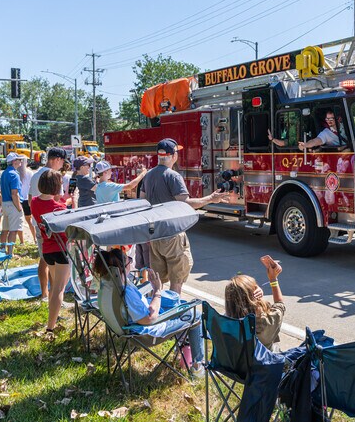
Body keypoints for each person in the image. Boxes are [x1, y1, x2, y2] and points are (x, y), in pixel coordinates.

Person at [93, 247, 205, 375]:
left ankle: (183, 350)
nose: (131, 262)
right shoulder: (126, 292)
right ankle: (197, 366)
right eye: (129, 260)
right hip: (148, 332)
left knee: (179, 303)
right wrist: (157, 290)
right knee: (195, 316)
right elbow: (149, 319)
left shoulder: (109, 284)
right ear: (121, 268)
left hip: (127, 326)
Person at [140, 138, 229, 295]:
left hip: (154, 235)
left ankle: (155, 313)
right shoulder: (173, 176)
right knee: (177, 281)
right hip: (172, 235)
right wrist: (211, 198)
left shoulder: (148, 176)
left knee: (157, 283)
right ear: (173, 155)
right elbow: (185, 204)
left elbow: (142, 203)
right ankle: (174, 314)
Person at [30, 170, 72, 333]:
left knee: (54, 288)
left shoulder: (34, 201)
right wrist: (71, 203)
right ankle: (50, 327)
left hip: (47, 250)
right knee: (59, 289)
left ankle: (53, 316)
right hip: (61, 250)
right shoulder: (59, 207)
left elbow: (49, 203)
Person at [28, 147, 67, 303]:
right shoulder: (55, 177)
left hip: (39, 222)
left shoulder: (35, 175)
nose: (63, 165)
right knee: (55, 261)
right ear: (56, 159)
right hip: (54, 224)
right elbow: (57, 202)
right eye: (62, 161)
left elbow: (31, 199)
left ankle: (45, 294)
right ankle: (55, 295)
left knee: (44, 258)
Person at [224, 255, 285, 351]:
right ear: (253, 298)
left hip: (235, 365)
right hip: (263, 363)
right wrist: (273, 280)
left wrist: (254, 298)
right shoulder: (265, 322)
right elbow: (280, 305)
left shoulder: (224, 322)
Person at [0, 153, 26, 256]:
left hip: (5, 203)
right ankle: (10, 253)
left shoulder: (4, 173)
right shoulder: (14, 174)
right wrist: (19, 207)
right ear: (14, 161)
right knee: (13, 230)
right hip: (13, 204)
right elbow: (14, 193)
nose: (21, 161)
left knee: (5, 229)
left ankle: (2, 249)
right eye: (19, 160)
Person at [17, 158, 36, 243]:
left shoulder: (16, 172)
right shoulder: (30, 173)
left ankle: (22, 241)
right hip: (27, 198)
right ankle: (35, 239)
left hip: (18, 199)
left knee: (19, 221)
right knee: (30, 220)